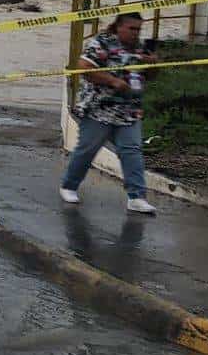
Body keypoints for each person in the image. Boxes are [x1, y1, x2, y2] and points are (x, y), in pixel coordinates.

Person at [62, 12, 157, 214]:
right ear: (119, 27)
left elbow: (151, 75)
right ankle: (69, 186)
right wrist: (112, 80)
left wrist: (152, 64)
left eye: (139, 29)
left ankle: (136, 197)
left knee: (132, 151)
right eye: (132, 29)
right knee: (87, 150)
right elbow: (84, 68)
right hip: (99, 109)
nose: (135, 33)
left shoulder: (139, 48)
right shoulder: (101, 43)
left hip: (128, 111)